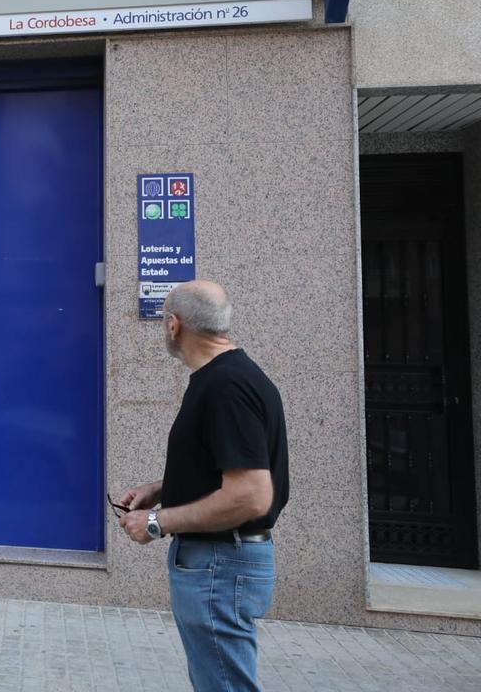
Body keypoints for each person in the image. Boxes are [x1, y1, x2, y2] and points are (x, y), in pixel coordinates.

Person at [115, 281, 289, 692]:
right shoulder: (228, 376)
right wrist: (164, 487)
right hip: (223, 562)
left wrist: (157, 521)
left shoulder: (225, 386)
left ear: (174, 325)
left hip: (220, 564)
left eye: (163, 320)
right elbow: (228, 466)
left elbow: (251, 494)